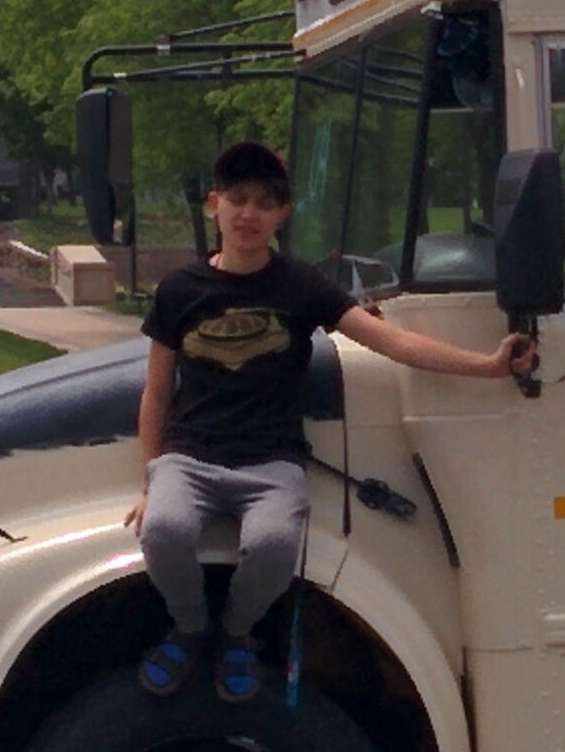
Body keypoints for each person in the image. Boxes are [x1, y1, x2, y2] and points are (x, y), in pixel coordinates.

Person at [128, 140, 533, 701]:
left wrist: (488, 366)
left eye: (265, 204)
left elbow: (393, 340)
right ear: (213, 205)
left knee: (274, 544)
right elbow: (154, 393)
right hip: (189, 458)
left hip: (271, 462)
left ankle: (237, 632)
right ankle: (190, 625)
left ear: (282, 217)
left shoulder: (301, 286)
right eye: (238, 200)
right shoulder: (179, 290)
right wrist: (150, 479)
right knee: (163, 530)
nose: (249, 214)